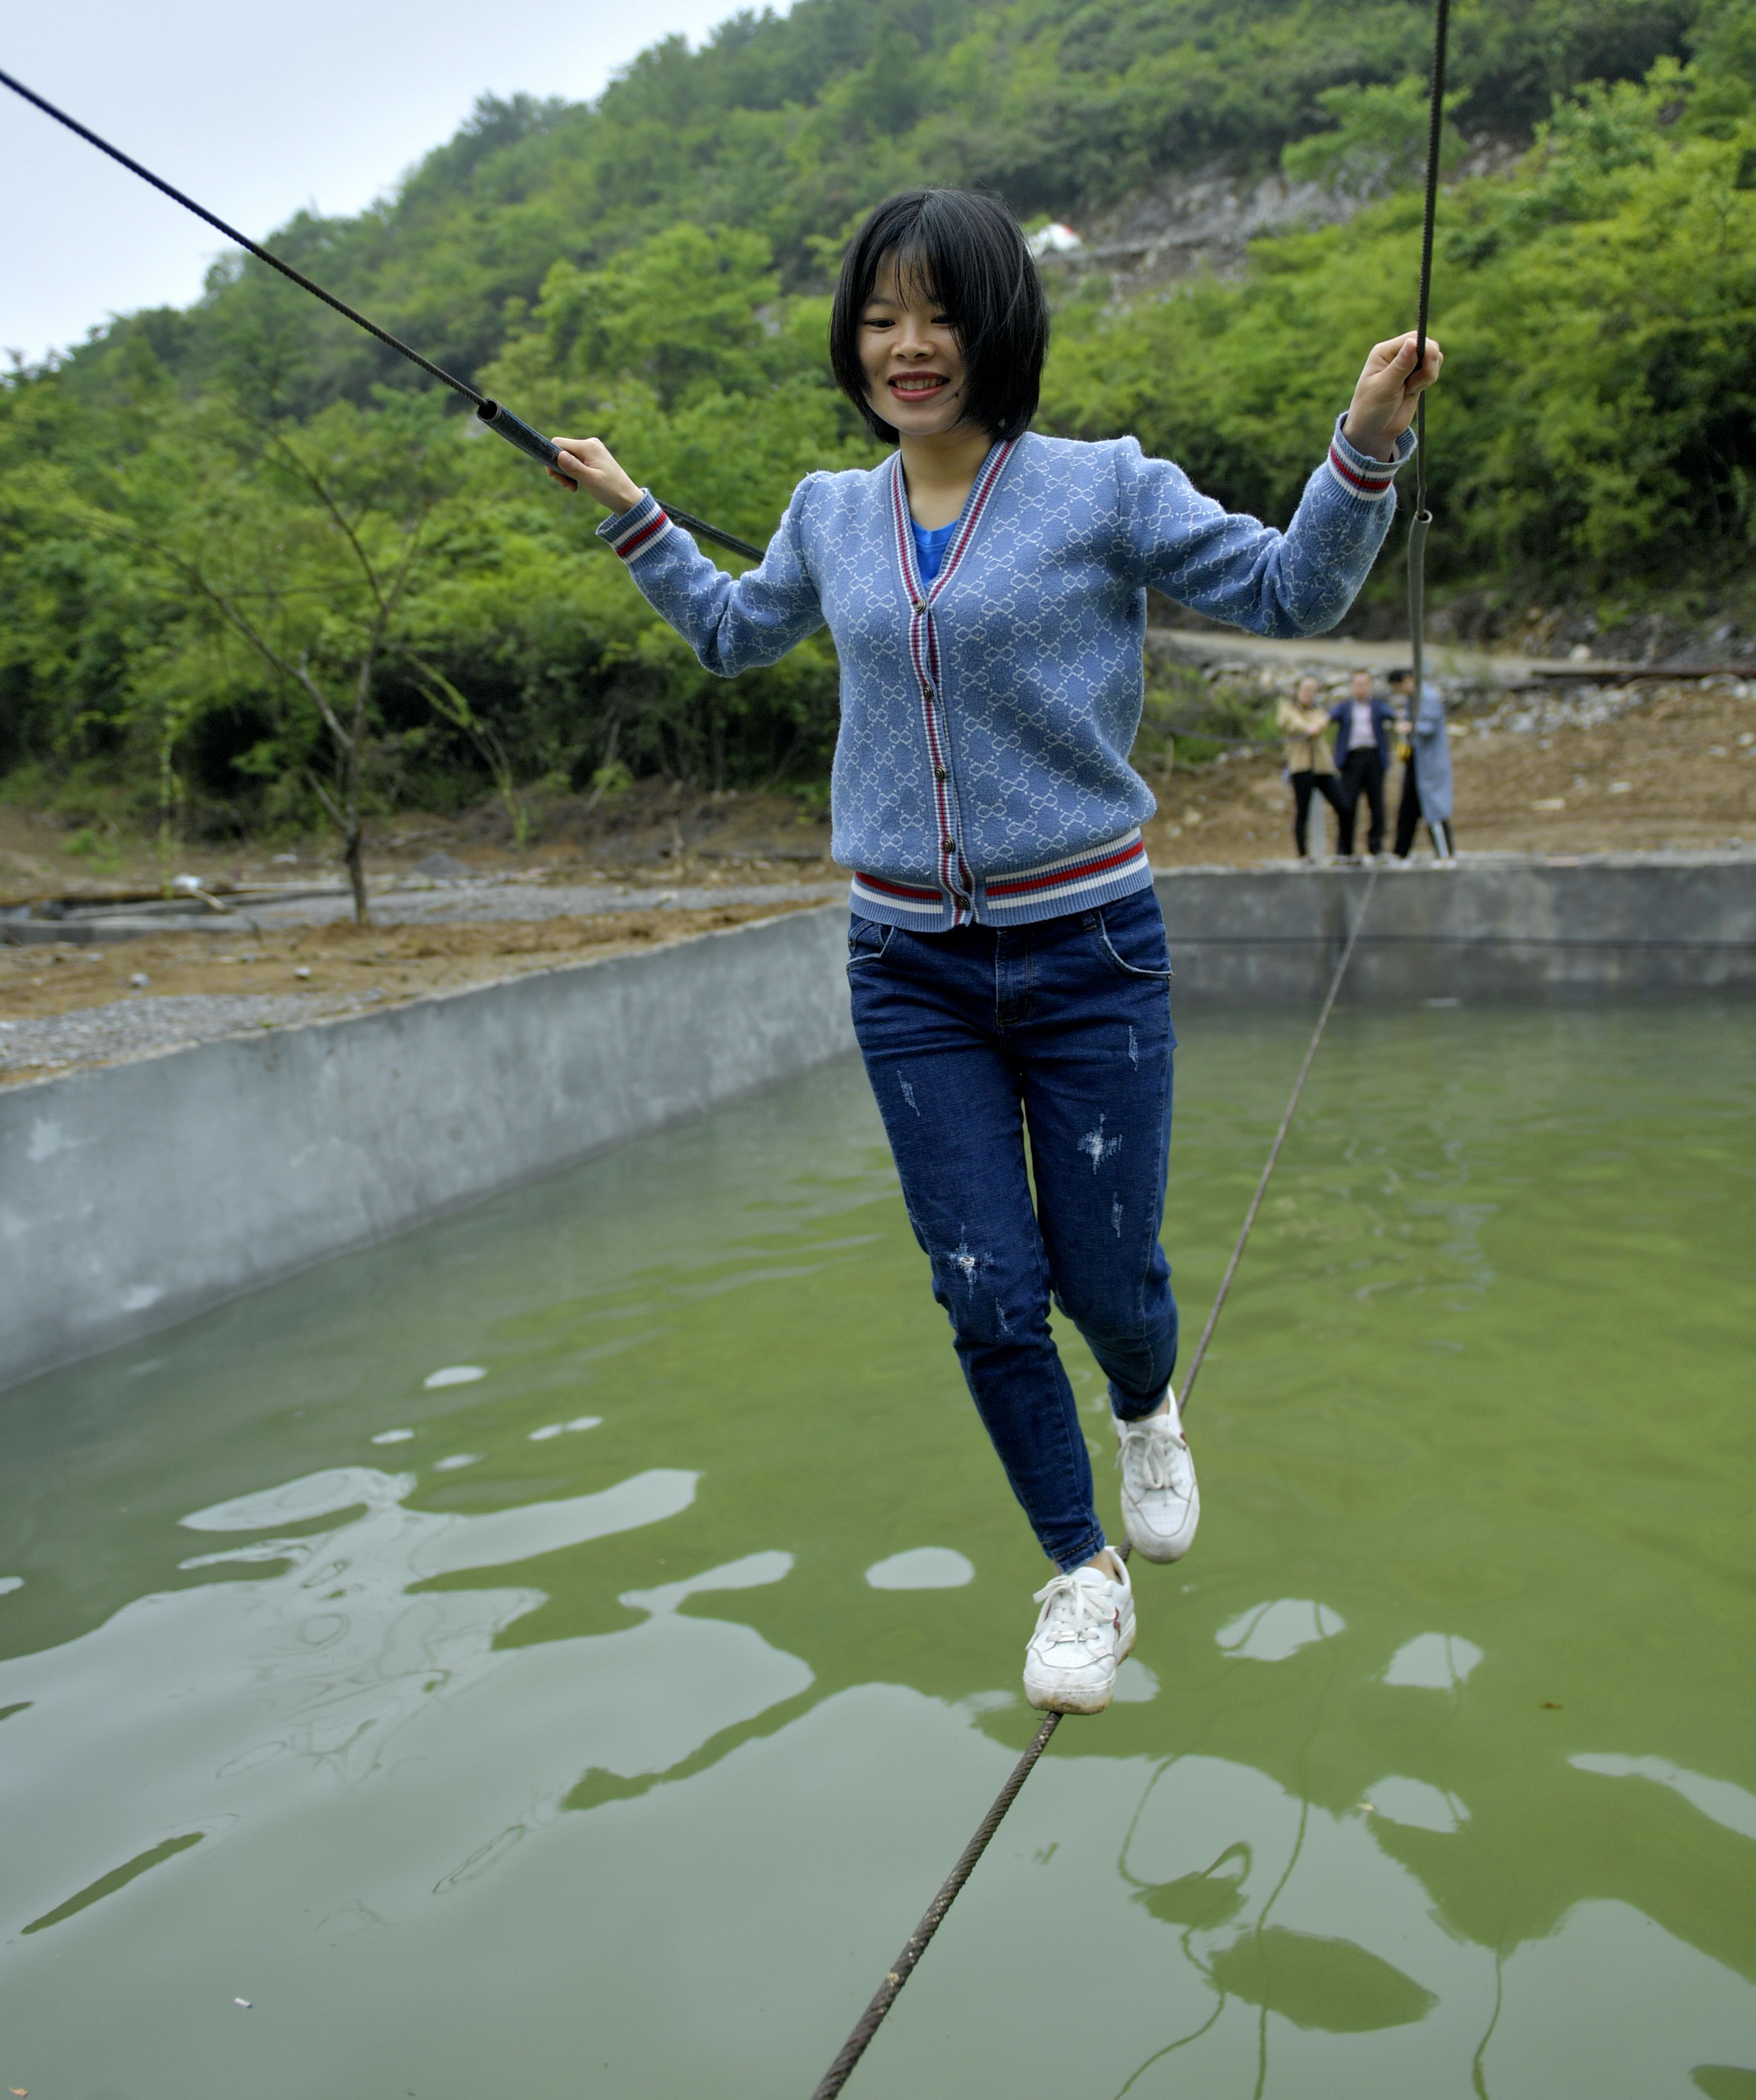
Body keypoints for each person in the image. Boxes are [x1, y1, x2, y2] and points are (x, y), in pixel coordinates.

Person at [551, 188, 1439, 1715]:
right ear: (853, 338)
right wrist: (634, 512)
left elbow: (1293, 590)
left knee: (1108, 1278)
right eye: (882, 317)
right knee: (980, 1285)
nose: (908, 346)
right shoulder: (832, 514)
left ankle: (1145, 1402)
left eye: (939, 315)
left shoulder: (1102, 487)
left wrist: (1363, 442)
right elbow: (726, 633)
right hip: (909, 973)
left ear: (995, 328)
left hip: (1091, 949)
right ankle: (1076, 1572)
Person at [1387, 666, 1456, 862]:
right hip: (1415, 761)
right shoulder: (1411, 700)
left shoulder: (1429, 697)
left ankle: (1445, 854)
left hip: (1430, 764)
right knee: (1408, 807)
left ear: (1408, 680)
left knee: (1435, 808)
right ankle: (1401, 853)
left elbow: (1430, 726)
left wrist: (1412, 726)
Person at [1275, 675, 1345, 863]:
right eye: (1306, 690)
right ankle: (1303, 854)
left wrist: (1315, 727)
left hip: (1322, 767)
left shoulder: (1319, 711)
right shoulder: (1287, 709)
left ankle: (1344, 851)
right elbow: (1290, 722)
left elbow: (1322, 722)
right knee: (1302, 810)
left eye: (1313, 690)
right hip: (1301, 766)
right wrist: (1307, 728)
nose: (1309, 694)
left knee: (1344, 806)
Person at [1329, 667, 1394, 858]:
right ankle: (1345, 849)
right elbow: (1328, 718)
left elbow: (1393, 715)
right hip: (1351, 759)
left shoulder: (1378, 706)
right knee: (1347, 805)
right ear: (1352, 686)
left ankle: (1376, 847)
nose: (1361, 688)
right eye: (1358, 684)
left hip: (1373, 758)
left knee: (1377, 805)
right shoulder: (1344, 707)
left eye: (1365, 684)